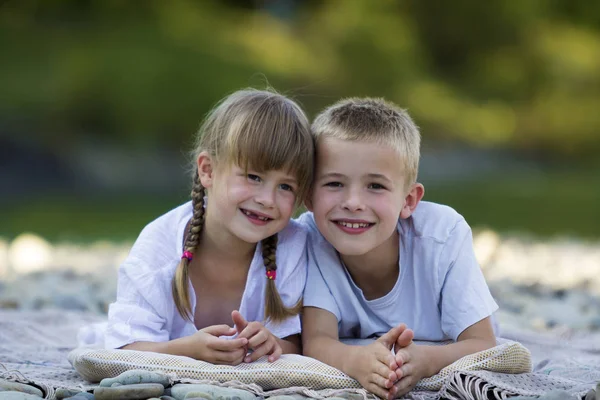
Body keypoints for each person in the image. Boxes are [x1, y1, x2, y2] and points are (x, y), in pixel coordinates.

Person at [299, 98, 498, 399]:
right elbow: (316, 341)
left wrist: (427, 361)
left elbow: (483, 344)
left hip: (439, 345)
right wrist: (356, 361)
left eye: (375, 186)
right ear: (309, 195)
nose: (353, 202)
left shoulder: (442, 235)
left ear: (408, 201)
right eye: (334, 184)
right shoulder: (310, 238)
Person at [104, 88, 314, 365]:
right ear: (208, 170)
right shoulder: (160, 245)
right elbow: (122, 350)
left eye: (285, 186)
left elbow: (300, 344)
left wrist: (274, 345)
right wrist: (186, 351)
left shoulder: (292, 246)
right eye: (253, 177)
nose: (267, 200)